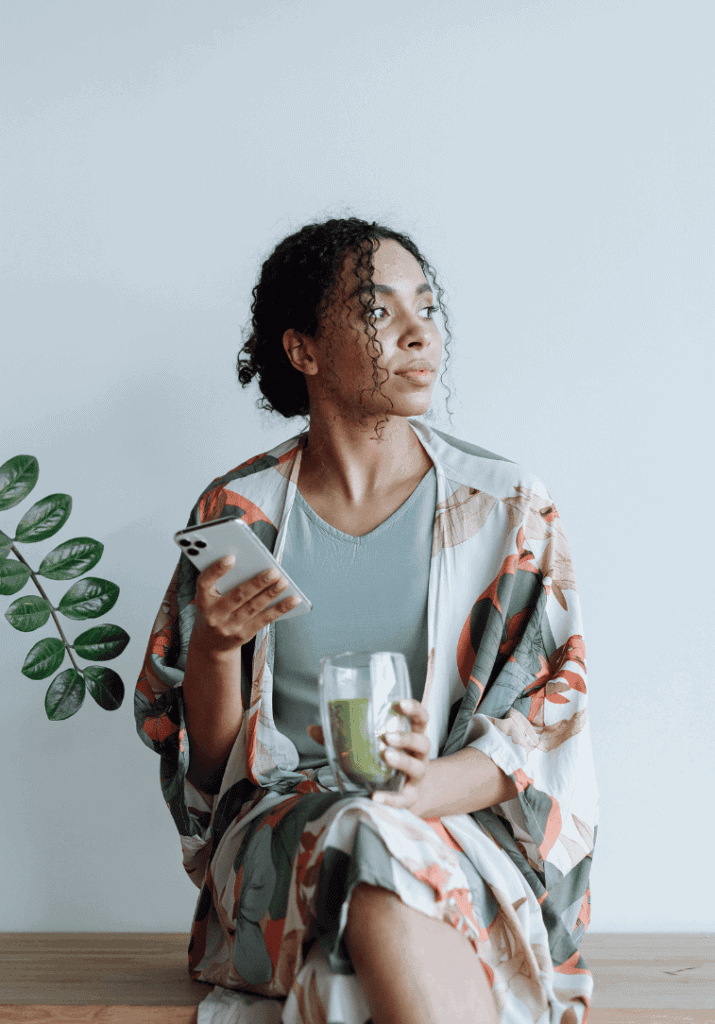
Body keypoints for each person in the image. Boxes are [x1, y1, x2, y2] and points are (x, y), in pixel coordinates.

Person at [135, 217, 598, 1024]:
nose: (421, 331)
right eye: (379, 312)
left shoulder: (506, 509)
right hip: (282, 844)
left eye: (426, 304)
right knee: (364, 833)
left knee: (372, 864)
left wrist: (418, 791)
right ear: (303, 350)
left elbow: (547, 724)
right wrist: (212, 646)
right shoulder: (237, 514)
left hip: (455, 828)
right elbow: (209, 777)